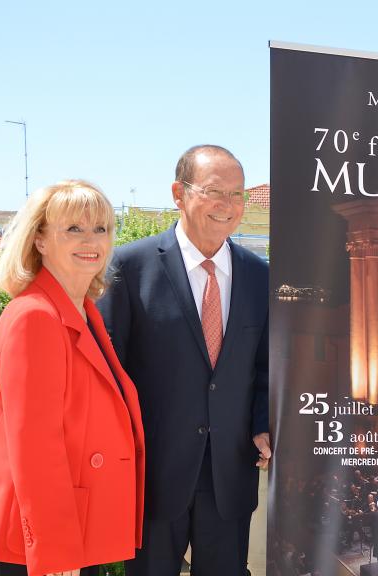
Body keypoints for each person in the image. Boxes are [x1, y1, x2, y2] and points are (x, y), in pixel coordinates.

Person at [99, 145, 270, 575]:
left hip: (230, 474)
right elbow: (108, 373)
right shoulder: (127, 267)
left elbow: (265, 367)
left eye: (236, 194)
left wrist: (263, 423)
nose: (227, 206)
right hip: (153, 476)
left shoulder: (260, 275)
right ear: (179, 193)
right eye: (214, 191)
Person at [0, 181, 145, 576]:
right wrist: (56, 552)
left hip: (77, 522)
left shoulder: (83, 311)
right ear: (40, 239)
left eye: (101, 228)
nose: (91, 240)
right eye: (74, 229)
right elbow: (34, 448)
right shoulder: (36, 317)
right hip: (46, 539)